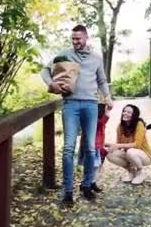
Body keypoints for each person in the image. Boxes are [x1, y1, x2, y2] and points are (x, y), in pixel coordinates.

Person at [40, 25, 113, 207]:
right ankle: (68, 191)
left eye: (78, 39)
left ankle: (87, 185)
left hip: (91, 105)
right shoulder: (65, 55)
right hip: (70, 105)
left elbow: (102, 80)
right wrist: (52, 84)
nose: (75, 42)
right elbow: (44, 71)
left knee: (89, 148)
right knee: (68, 148)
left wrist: (108, 97)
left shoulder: (96, 58)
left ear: (86, 38)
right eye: (73, 39)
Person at [105, 104, 151, 185]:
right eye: (124, 111)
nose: (125, 113)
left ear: (134, 116)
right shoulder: (120, 127)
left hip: (145, 156)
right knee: (109, 153)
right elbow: (119, 145)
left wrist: (118, 146)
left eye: (129, 112)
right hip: (130, 155)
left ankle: (140, 172)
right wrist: (105, 144)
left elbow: (137, 144)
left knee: (130, 151)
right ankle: (131, 171)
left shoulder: (139, 124)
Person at [77, 99, 110, 192]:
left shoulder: (92, 118)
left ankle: (92, 182)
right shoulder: (93, 121)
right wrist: (108, 112)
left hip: (95, 146)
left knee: (95, 166)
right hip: (92, 146)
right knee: (91, 166)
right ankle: (86, 183)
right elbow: (101, 122)